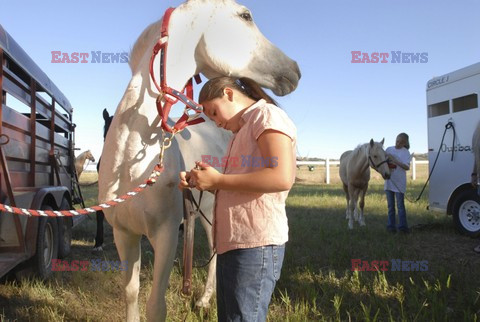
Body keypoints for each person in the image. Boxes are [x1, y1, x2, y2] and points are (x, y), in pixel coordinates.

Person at [178, 76, 296, 321]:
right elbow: (241, 187)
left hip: (255, 245)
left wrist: (218, 180)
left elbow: (281, 177)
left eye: (214, 112)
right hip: (235, 243)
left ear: (229, 94)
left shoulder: (267, 116)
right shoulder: (241, 131)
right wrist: (203, 183)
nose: (216, 122)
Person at [384, 133, 412, 234]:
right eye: (397, 141)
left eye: (400, 142)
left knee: (400, 206)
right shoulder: (388, 149)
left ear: (405, 143)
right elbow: (383, 163)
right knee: (390, 207)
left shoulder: (406, 152)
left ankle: (403, 227)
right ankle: (391, 227)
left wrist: (395, 161)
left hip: (399, 183)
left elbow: (407, 167)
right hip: (389, 182)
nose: (398, 143)